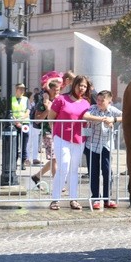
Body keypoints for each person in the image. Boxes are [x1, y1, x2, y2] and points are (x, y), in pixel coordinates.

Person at [48, 75, 92, 211]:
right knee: (64, 166)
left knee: (74, 170)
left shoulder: (86, 103)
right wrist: (54, 133)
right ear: (74, 85)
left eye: (84, 86)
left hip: (79, 139)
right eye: (80, 85)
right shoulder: (61, 99)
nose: (82, 88)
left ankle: (73, 198)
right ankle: (55, 199)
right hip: (62, 137)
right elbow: (51, 117)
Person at [83, 90, 122, 209]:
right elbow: (85, 116)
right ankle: (96, 198)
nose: (99, 102)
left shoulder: (113, 110)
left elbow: (126, 115)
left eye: (102, 100)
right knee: (93, 172)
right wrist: (101, 119)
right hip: (92, 145)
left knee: (107, 172)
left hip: (106, 145)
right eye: (98, 100)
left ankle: (107, 198)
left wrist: (113, 120)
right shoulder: (93, 108)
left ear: (109, 101)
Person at [31, 80, 60, 189]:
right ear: (50, 90)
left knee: (56, 159)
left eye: (58, 90)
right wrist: (47, 110)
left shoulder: (59, 100)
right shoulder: (42, 102)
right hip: (47, 132)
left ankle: (37, 176)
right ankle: (58, 184)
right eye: (54, 90)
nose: (56, 93)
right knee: (54, 158)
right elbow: (37, 120)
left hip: (58, 132)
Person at [11, 83, 30, 170]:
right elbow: (10, 112)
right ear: (16, 89)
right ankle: (14, 162)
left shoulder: (26, 99)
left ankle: (23, 163)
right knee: (14, 144)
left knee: (24, 144)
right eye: (20, 89)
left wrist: (21, 120)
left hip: (24, 123)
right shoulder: (12, 99)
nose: (22, 91)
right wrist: (16, 121)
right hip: (15, 124)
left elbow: (27, 111)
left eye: (23, 89)